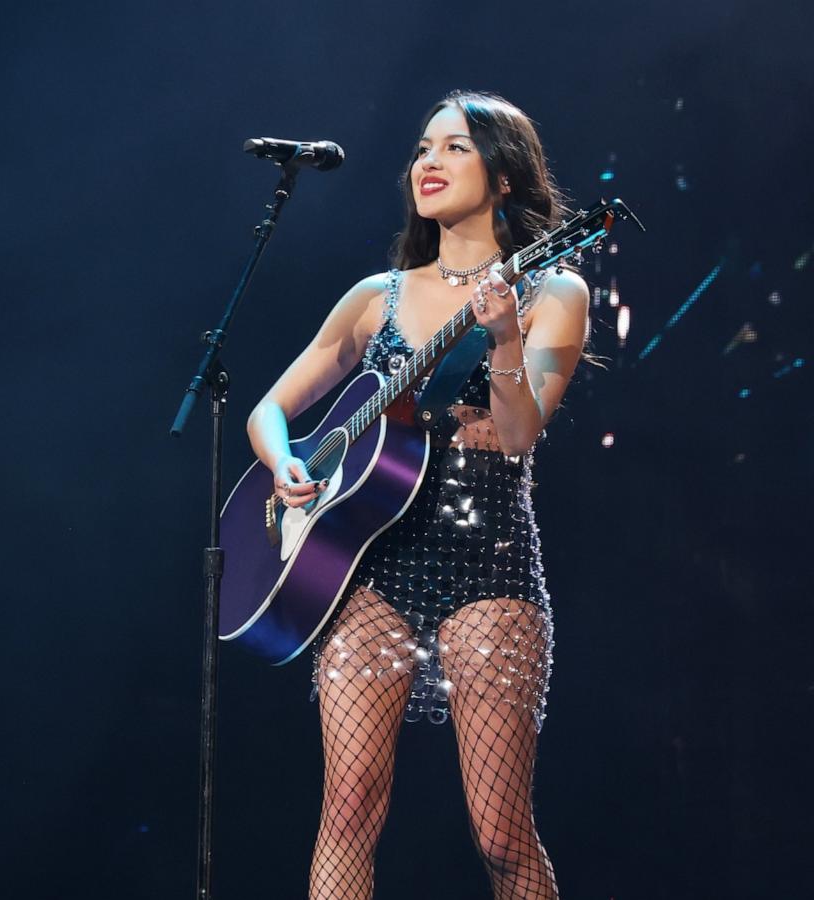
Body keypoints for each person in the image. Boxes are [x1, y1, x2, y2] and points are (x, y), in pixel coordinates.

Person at [246, 91, 587, 898]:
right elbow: (269, 407)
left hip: (490, 563)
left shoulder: (553, 290)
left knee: (501, 829)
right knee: (348, 808)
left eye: (455, 148)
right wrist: (286, 461)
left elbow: (515, 435)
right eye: (422, 149)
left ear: (505, 176)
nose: (427, 163)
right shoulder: (379, 296)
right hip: (368, 570)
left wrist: (503, 335)